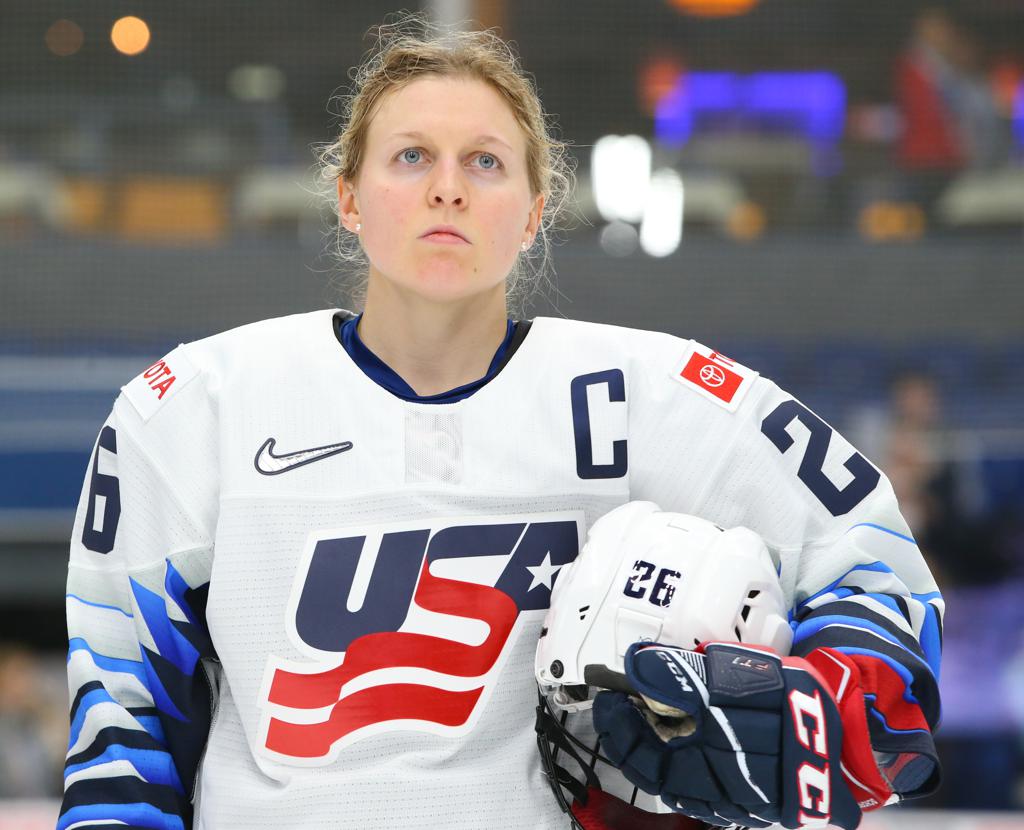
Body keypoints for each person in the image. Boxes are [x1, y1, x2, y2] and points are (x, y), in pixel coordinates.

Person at [59, 15, 943, 830]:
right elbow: (122, 734)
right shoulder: (192, 407)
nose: (447, 189)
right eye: (411, 157)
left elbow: (876, 565)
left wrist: (827, 707)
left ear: (533, 213)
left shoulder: (656, 396)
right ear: (348, 198)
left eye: (484, 162)